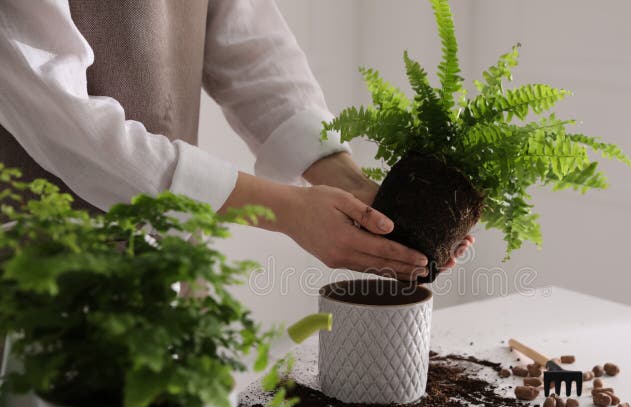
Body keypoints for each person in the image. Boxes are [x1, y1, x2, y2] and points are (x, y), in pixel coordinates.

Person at [0, 0, 473, 281]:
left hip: (172, 256)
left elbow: (246, 40)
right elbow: (65, 124)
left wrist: (343, 176)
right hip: (33, 271)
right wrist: (282, 209)